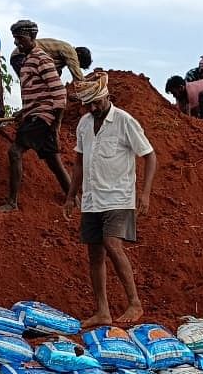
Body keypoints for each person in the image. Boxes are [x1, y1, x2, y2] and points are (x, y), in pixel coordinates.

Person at [64, 73, 157, 327]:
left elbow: (149, 156)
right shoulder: (84, 124)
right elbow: (79, 162)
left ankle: (134, 303)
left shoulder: (125, 121)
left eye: (98, 103)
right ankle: (102, 311)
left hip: (119, 197)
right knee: (94, 254)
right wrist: (71, 196)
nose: (94, 108)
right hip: (93, 199)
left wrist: (145, 194)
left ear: (107, 97)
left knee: (111, 244)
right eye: (89, 105)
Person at [0, 20, 71, 213]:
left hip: (42, 117)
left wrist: (55, 125)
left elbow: (60, 94)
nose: (16, 43)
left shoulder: (41, 58)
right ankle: (75, 199)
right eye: (14, 39)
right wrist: (25, 110)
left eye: (20, 39)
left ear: (32, 37)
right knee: (54, 162)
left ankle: (12, 203)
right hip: (37, 114)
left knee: (14, 152)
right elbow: (41, 92)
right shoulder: (29, 59)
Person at [10, 38, 89, 83]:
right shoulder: (71, 51)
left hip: (20, 56)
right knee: (33, 86)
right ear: (79, 54)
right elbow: (79, 78)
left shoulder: (59, 63)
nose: (77, 65)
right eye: (79, 64)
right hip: (22, 55)